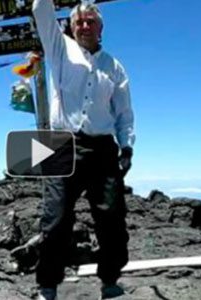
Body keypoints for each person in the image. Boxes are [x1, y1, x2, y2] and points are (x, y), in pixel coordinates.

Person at [32, 0, 135, 299]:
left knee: (112, 218)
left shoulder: (114, 66)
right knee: (56, 219)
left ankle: (110, 280)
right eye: (79, 21)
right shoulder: (59, 48)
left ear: (101, 27)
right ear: (71, 26)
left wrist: (126, 145)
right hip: (59, 143)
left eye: (91, 21)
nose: (85, 26)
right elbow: (41, 9)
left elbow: (124, 112)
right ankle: (47, 286)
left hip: (103, 147)